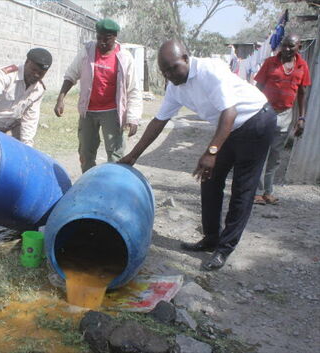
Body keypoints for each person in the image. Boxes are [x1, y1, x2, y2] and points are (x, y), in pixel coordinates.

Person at [119, 40, 276, 271]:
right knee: (209, 178)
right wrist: (133, 155)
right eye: (165, 71)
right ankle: (211, 237)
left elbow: (229, 112)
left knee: (242, 189)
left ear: (186, 57)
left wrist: (211, 151)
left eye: (174, 68)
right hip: (229, 127)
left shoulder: (209, 70)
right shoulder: (175, 87)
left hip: (256, 122)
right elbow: (158, 121)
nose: (170, 74)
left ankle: (224, 248)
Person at [54, 18, 142, 173]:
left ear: (115, 37)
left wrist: (133, 118)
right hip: (88, 111)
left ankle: (113, 186)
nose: (101, 42)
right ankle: (89, 184)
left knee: (115, 154)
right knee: (86, 153)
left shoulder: (125, 57)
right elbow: (71, 75)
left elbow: (133, 89)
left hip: (112, 112)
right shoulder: (87, 52)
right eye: (99, 37)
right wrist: (61, 98)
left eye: (106, 39)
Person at [253, 34, 311, 205]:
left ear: (298, 47)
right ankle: (256, 191)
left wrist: (301, 117)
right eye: (284, 45)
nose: (286, 49)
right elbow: (258, 88)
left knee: (275, 155)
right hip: (266, 111)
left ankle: (268, 192)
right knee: (260, 153)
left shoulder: (302, 66)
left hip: (286, 114)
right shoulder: (270, 62)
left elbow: (302, 93)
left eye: (290, 46)